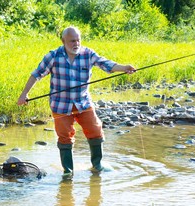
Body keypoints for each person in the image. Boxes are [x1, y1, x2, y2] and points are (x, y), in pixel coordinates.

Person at [17, 26, 136, 174]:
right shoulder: (53, 56)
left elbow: (106, 64)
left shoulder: (88, 54)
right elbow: (36, 74)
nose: (76, 43)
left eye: (78, 40)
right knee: (64, 137)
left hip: (83, 102)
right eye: (72, 41)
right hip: (60, 105)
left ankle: (97, 165)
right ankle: (68, 171)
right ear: (63, 41)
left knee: (95, 130)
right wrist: (24, 95)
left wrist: (124, 67)